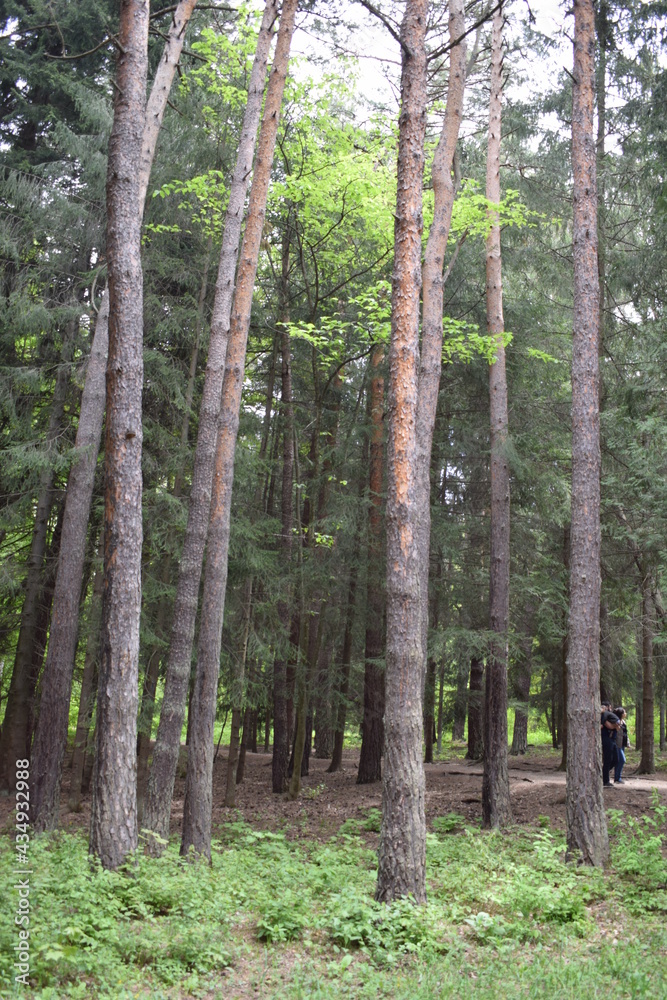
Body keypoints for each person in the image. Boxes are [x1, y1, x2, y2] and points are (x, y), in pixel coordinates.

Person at [600, 701, 620, 788]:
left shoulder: (610, 715)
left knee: (616, 759)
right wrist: (613, 726)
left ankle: (603, 772)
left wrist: (615, 726)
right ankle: (606, 780)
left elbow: (618, 727)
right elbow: (608, 726)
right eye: (609, 707)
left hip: (612, 739)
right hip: (606, 739)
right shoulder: (603, 715)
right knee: (608, 759)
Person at [613, 707, 630, 784]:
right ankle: (617, 777)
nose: (625, 713)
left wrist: (628, 743)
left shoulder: (623, 722)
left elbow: (625, 733)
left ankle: (617, 778)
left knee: (619, 761)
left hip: (623, 743)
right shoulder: (617, 722)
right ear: (621, 714)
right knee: (622, 760)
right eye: (624, 712)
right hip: (617, 744)